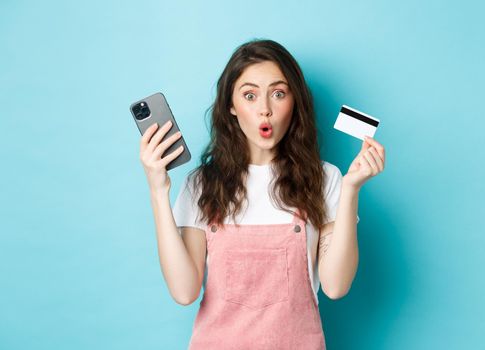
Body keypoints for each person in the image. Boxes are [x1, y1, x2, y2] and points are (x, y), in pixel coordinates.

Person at [139, 39, 386, 349]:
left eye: (278, 94)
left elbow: (336, 286)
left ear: (294, 102)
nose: (265, 110)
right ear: (231, 105)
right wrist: (157, 190)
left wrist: (351, 190)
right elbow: (184, 291)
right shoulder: (202, 184)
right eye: (250, 95)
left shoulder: (326, 179)